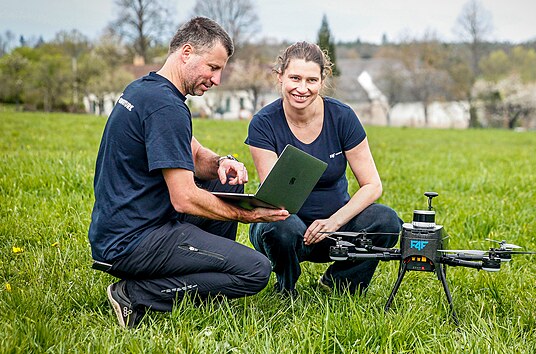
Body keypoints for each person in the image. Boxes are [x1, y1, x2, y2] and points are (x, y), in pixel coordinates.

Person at [87, 17, 289, 329]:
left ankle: (200, 287)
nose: (217, 79)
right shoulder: (165, 107)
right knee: (256, 271)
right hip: (132, 241)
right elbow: (184, 198)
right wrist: (247, 217)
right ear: (187, 52)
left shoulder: (146, 89)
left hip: (122, 227)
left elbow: (192, 154)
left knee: (227, 184)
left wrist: (222, 162)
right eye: (213, 67)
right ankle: (136, 293)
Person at [245, 41, 402, 297]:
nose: (302, 88)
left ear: (322, 80)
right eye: (294, 78)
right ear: (280, 76)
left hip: (336, 228)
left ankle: (340, 282)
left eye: (311, 80)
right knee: (280, 226)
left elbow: (373, 185)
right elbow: (274, 198)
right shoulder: (263, 124)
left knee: (387, 221)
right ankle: (286, 287)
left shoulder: (342, 117)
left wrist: (333, 222)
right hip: (284, 225)